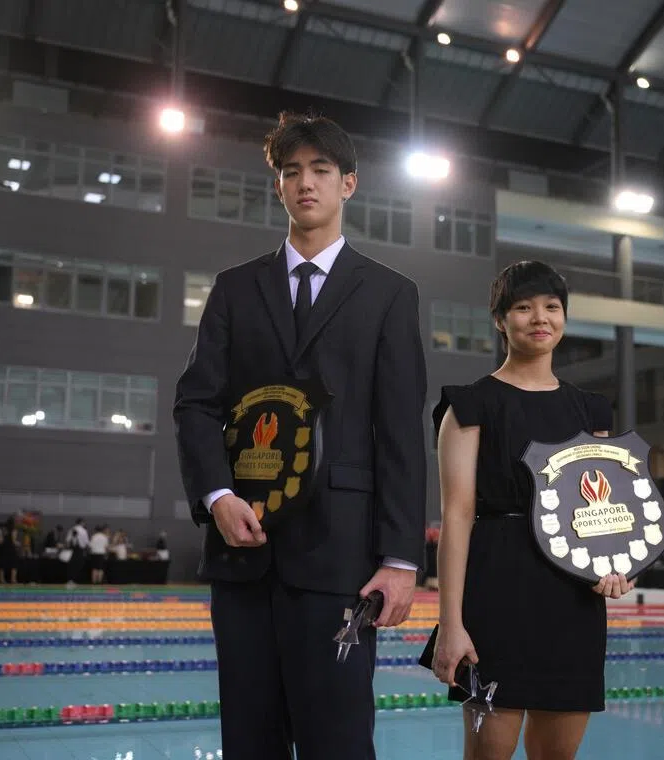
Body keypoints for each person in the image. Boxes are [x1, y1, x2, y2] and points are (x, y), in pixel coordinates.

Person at [173, 111, 427, 760]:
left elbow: (399, 432)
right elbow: (197, 405)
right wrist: (217, 496)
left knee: (337, 741)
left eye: (319, 170)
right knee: (250, 741)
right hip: (244, 552)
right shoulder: (235, 290)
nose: (304, 183)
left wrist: (400, 560)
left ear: (349, 184)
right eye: (291, 172)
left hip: (342, 557)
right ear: (278, 186)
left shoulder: (389, 295)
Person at [429, 261, 633, 760]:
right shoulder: (470, 405)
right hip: (496, 592)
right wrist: (451, 625)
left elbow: (603, 510)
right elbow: (456, 517)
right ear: (500, 320)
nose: (539, 318)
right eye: (523, 308)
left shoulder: (590, 411)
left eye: (551, 307)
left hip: (571, 597)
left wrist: (613, 565)